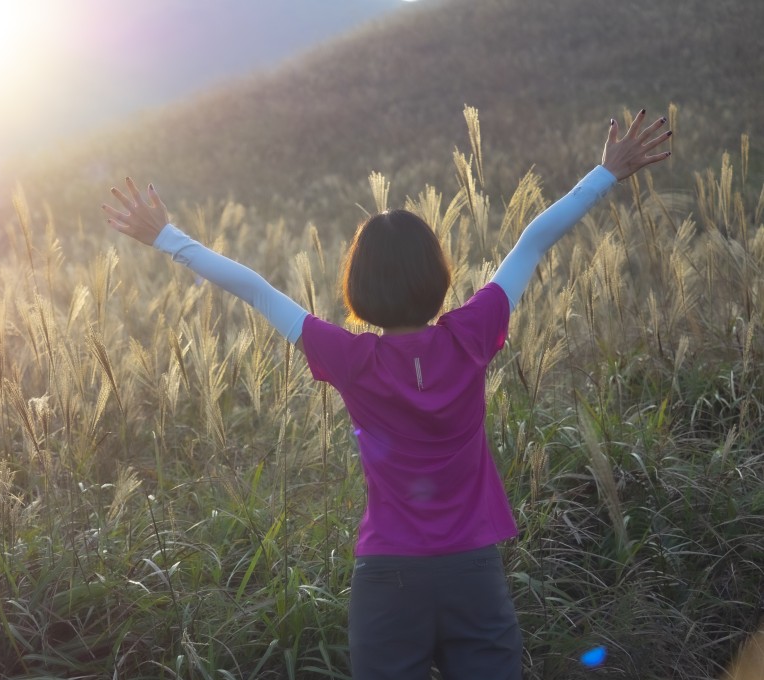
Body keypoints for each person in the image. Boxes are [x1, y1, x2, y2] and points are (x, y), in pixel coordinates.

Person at [103, 110, 672, 679]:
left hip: (387, 577)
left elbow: (255, 288)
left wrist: (165, 236)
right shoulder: (472, 334)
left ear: (359, 286)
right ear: (437, 274)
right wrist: (605, 174)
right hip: (472, 571)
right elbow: (533, 240)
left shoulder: (351, 359)